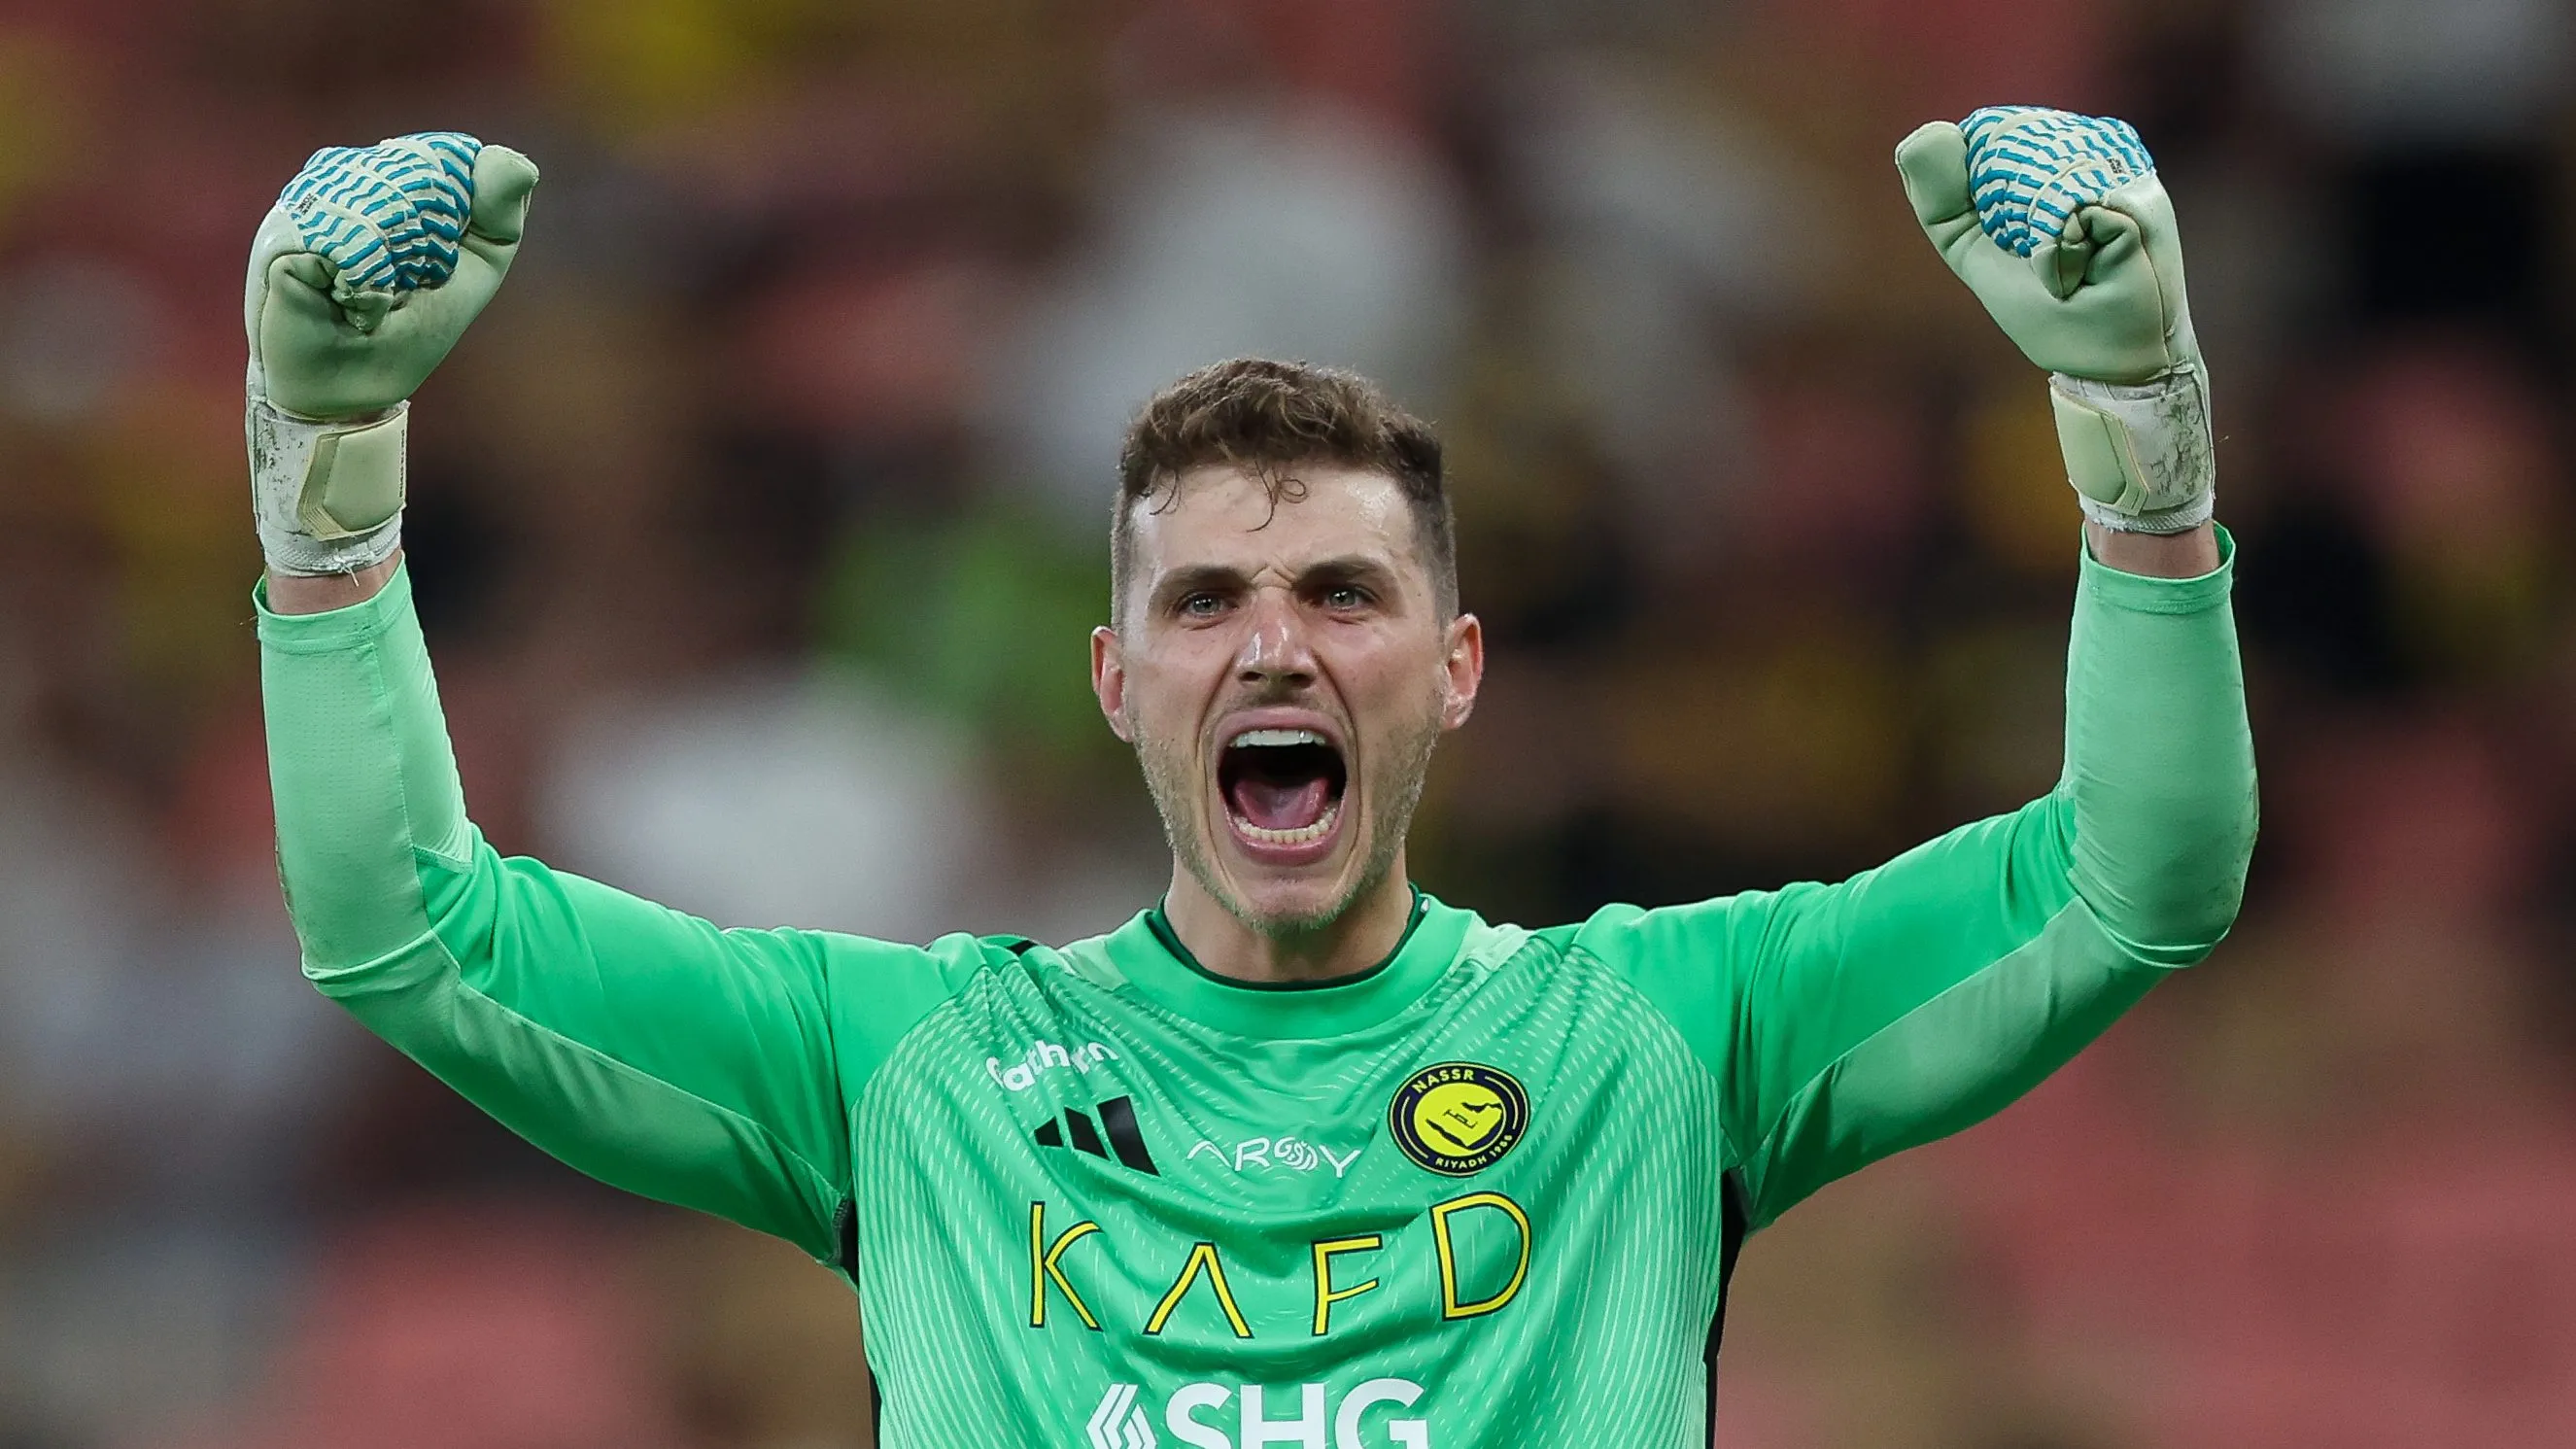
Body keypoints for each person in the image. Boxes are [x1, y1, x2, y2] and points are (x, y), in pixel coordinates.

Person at [247, 109, 2254, 1448]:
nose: (1274, 642)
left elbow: (2134, 879)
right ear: (1116, 684)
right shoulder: (918, 1066)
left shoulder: (1659, 1032)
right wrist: (326, 508)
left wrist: (2138, 442)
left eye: (1342, 593)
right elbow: (404, 930)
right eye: (1204, 598)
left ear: (1454, 671)